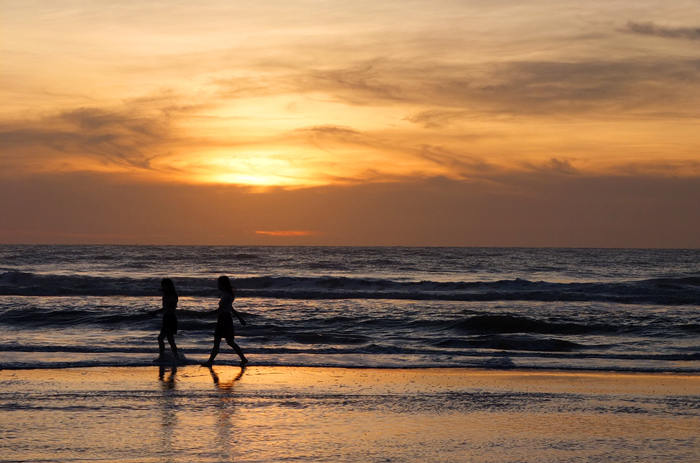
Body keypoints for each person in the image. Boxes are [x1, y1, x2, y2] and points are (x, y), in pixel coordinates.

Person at [201, 276, 248, 367]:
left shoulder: (226, 296)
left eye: (219, 283)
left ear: (223, 284)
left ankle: (243, 359)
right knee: (223, 341)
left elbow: (220, 310)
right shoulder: (225, 295)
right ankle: (210, 361)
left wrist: (205, 314)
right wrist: (240, 318)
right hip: (224, 318)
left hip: (224, 319)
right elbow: (231, 308)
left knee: (226, 341)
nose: (218, 285)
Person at [151, 278, 180, 361]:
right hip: (166, 317)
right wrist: (156, 312)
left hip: (170, 318)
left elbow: (170, 307)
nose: (163, 287)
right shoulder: (166, 295)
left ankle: (163, 357)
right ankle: (175, 357)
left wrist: (165, 296)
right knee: (170, 340)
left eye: (164, 286)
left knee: (161, 338)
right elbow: (165, 308)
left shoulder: (173, 296)